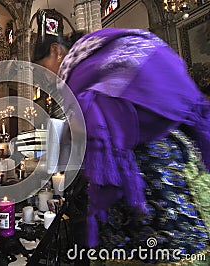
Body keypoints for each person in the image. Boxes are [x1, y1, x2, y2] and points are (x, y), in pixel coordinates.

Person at [34, 27, 210, 265]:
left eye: (45, 70)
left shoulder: (81, 68)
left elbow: (99, 124)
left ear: (56, 51)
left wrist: (67, 134)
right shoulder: (102, 50)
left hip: (147, 175)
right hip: (178, 153)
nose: (49, 79)